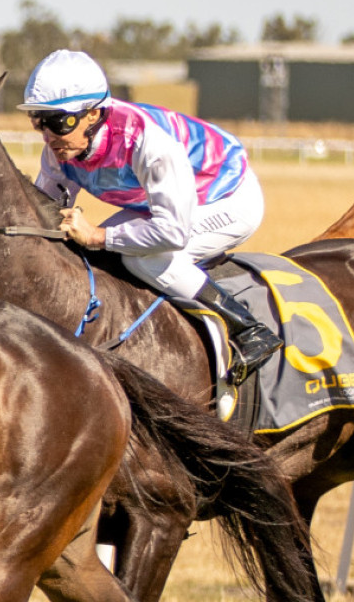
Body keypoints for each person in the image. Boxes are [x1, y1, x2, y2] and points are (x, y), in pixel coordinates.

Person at [20, 50, 281, 380]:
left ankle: (247, 328)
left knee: (141, 259)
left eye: (59, 122)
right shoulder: (61, 148)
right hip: (166, 204)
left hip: (229, 198)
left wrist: (98, 236)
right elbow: (48, 215)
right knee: (97, 252)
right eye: (39, 121)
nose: (48, 135)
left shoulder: (147, 142)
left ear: (93, 114)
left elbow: (173, 232)